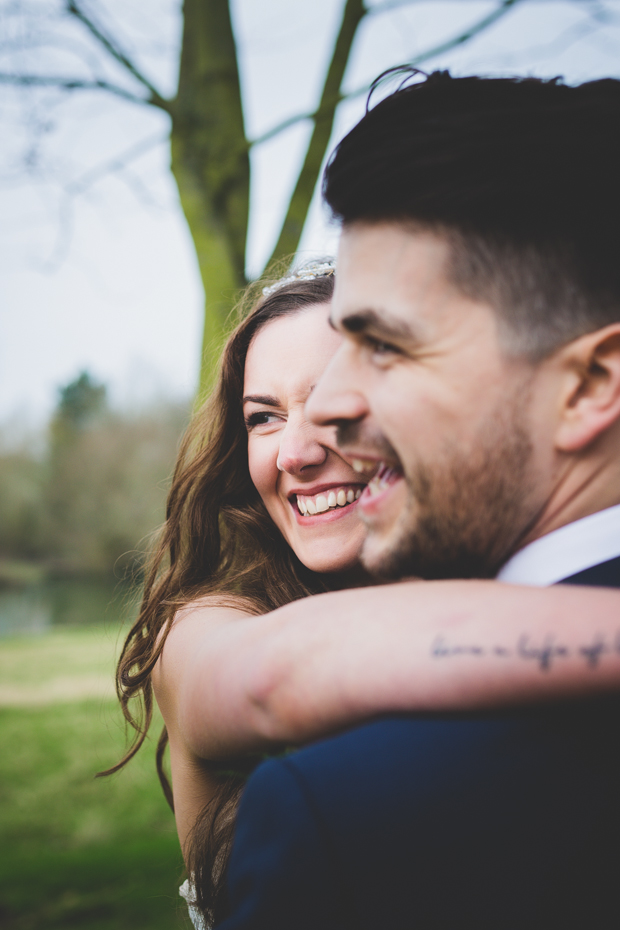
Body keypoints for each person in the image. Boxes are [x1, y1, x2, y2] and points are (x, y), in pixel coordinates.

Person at [214, 72, 620, 929]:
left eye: (384, 346)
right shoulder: (219, 625)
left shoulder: (355, 821)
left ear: (590, 384)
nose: (319, 420)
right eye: (261, 417)